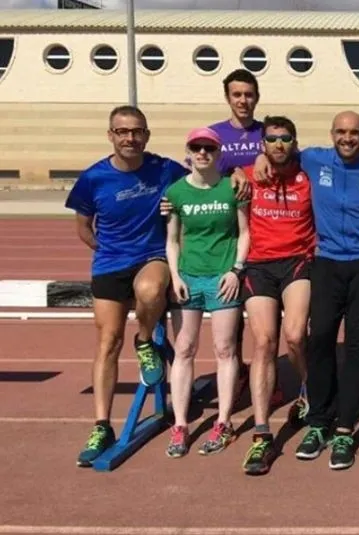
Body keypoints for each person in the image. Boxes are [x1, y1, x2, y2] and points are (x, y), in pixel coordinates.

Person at [243, 111, 359, 471]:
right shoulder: (314, 158)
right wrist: (257, 158)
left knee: (357, 346)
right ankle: (319, 421)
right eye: (341, 132)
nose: (347, 138)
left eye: (354, 133)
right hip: (326, 263)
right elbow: (279, 152)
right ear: (331, 134)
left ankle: (345, 429)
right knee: (317, 338)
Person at [68, 106, 188, 467]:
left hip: (152, 256)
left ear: (147, 135)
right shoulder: (93, 178)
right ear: (111, 135)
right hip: (110, 264)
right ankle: (102, 424)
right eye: (122, 132)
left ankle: (145, 340)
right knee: (107, 343)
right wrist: (105, 251)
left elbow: (204, 178)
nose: (129, 138)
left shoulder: (165, 169)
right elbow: (83, 226)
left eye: (136, 132)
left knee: (151, 291)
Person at [238, 116, 317, 476]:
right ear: (263, 144)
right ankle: (262, 433)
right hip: (259, 266)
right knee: (264, 342)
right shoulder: (246, 174)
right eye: (272, 139)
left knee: (296, 335)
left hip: (298, 261)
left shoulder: (308, 174)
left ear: (294, 141)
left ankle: (309, 390)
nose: (279, 144)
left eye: (286, 138)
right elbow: (207, 172)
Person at [163, 127, 249, 458]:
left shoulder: (232, 188)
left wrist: (236, 269)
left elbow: (244, 232)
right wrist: (174, 275)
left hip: (223, 278)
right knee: (184, 349)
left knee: (225, 349)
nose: (202, 153)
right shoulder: (176, 192)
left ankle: (224, 422)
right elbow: (172, 240)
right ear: (188, 151)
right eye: (197, 147)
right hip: (188, 278)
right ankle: (181, 424)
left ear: (218, 153)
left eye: (209, 148)